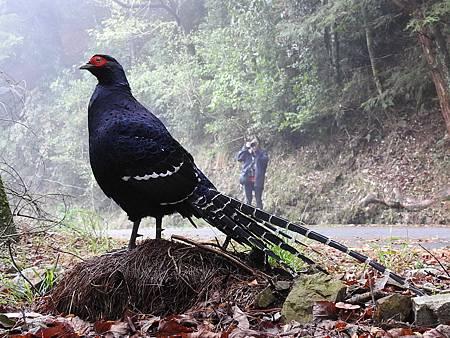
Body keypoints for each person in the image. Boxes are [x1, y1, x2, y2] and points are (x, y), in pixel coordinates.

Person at [237, 138, 269, 209]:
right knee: (248, 200)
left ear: (258, 144)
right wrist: (245, 147)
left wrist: (256, 152)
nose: (254, 146)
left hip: (258, 180)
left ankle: (260, 217)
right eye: (252, 144)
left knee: (258, 201)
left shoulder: (262, 153)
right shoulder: (247, 153)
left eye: (255, 144)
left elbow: (265, 161)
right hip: (247, 179)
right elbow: (239, 158)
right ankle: (248, 216)